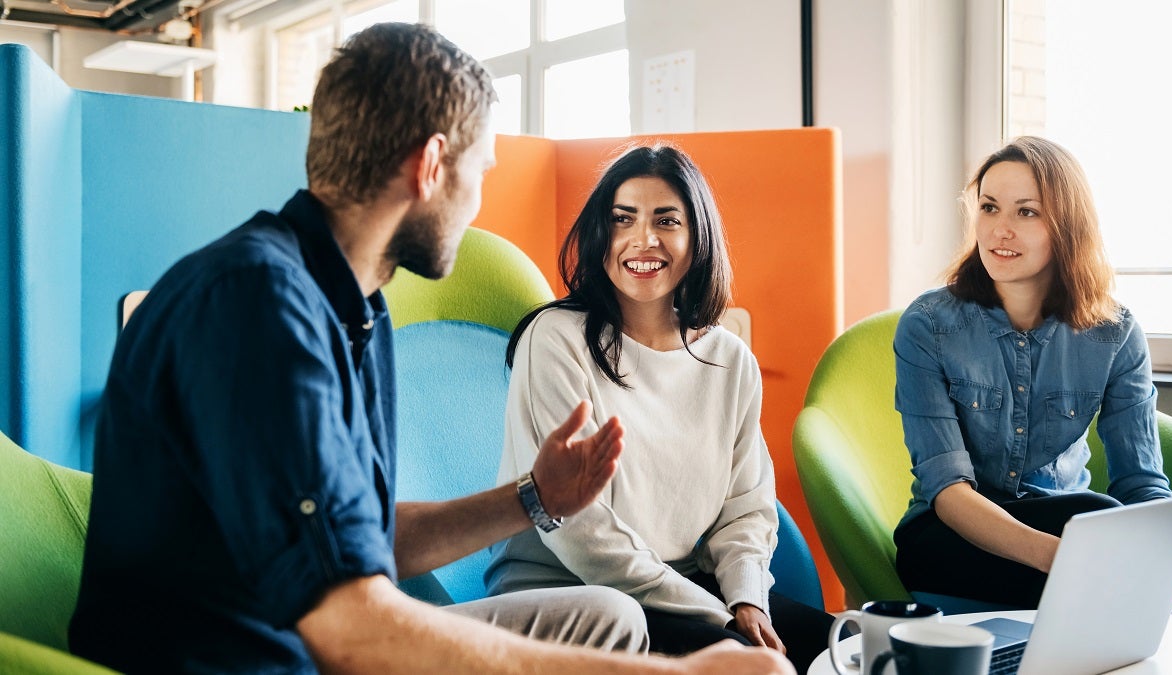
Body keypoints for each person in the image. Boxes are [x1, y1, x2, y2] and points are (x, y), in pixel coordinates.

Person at [68, 23, 792, 675]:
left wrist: (534, 498)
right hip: (247, 658)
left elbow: (364, 539)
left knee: (602, 616)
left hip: (315, 632)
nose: (478, 198)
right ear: (430, 165)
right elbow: (350, 632)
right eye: (480, 173)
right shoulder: (257, 306)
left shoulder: (355, 308)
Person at [484, 143, 835, 671]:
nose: (642, 240)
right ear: (601, 235)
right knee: (758, 666)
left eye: (666, 221)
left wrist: (745, 599)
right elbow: (579, 530)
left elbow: (747, 505)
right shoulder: (554, 339)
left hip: (685, 586)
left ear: (698, 238)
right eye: (622, 220)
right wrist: (714, 612)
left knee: (851, 648)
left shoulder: (728, 359)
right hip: (573, 594)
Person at [892, 135, 1172, 609]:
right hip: (951, 536)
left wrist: (1170, 555)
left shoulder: (1114, 333)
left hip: (1068, 523)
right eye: (989, 208)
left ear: (1068, 226)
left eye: (1025, 212)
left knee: (1104, 522)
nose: (999, 231)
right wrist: (1062, 558)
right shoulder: (928, 326)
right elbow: (947, 490)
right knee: (1095, 520)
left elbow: (1141, 482)